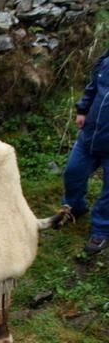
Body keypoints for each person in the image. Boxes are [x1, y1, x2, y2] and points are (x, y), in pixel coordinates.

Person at [61, 47, 109, 254]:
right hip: (90, 136)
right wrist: (82, 109)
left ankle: (101, 229)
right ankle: (74, 208)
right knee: (73, 174)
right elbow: (93, 86)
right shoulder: (107, 59)